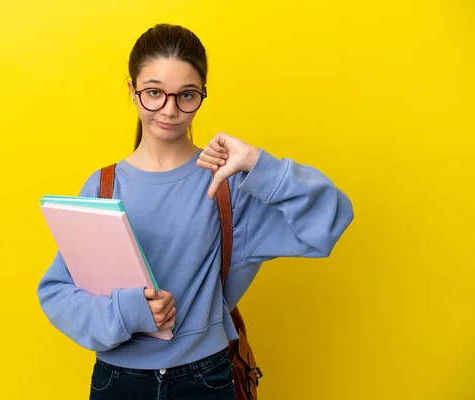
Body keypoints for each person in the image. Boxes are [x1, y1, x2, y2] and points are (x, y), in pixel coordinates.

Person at [37, 23, 354, 399]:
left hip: (205, 380)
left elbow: (329, 219)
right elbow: (57, 292)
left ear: (202, 94)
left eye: (186, 95)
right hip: (118, 382)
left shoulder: (229, 184)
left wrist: (256, 162)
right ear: (132, 91)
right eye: (154, 93)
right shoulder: (102, 187)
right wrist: (128, 313)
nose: (169, 110)